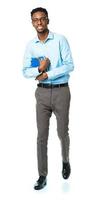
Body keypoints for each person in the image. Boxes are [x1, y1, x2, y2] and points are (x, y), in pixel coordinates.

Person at [23, 7, 74, 190]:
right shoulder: (31, 46)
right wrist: (39, 69)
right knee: (41, 136)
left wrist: (48, 74)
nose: (39, 22)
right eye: (35, 20)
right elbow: (25, 71)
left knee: (62, 132)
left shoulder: (60, 40)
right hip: (42, 94)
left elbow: (70, 65)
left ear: (47, 20)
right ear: (32, 22)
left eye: (42, 19)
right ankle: (42, 175)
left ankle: (65, 160)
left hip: (61, 91)